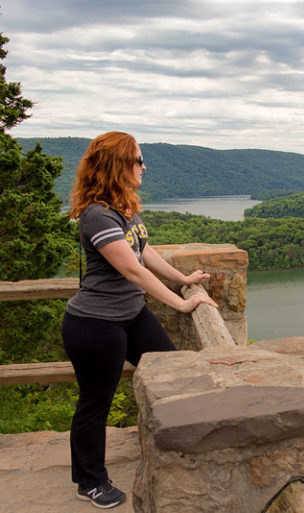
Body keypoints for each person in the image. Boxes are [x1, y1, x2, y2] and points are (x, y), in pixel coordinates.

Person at [61, 131, 217, 509]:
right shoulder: (98, 214)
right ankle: (90, 481)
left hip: (132, 315)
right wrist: (180, 306)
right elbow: (132, 270)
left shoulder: (125, 207)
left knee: (174, 371)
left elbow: (145, 251)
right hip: (95, 325)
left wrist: (183, 281)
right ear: (118, 165)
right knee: (95, 402)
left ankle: (173, 444)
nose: (144, 167)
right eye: (137, 160)